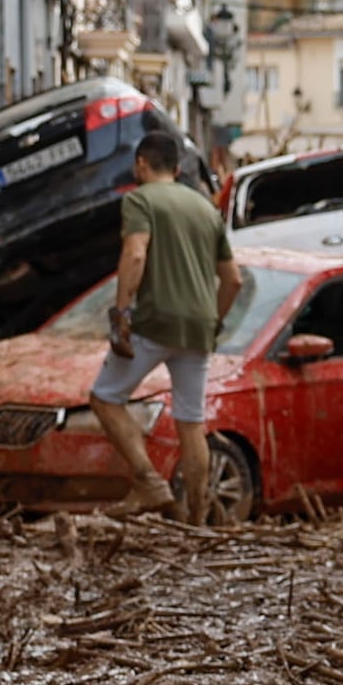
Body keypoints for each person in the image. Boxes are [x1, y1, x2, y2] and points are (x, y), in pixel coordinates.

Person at [86, 131, 238, 523]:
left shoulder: (140, 200)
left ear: (141, 164)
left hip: (154, 322)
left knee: (105, 397)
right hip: (199, 328)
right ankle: (198, 518)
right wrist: (214, 321)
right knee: (191, 422)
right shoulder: (206, 208)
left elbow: (135, 253)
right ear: (176, 166)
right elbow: (233, 279)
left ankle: (149, 481)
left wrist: (121, 313)